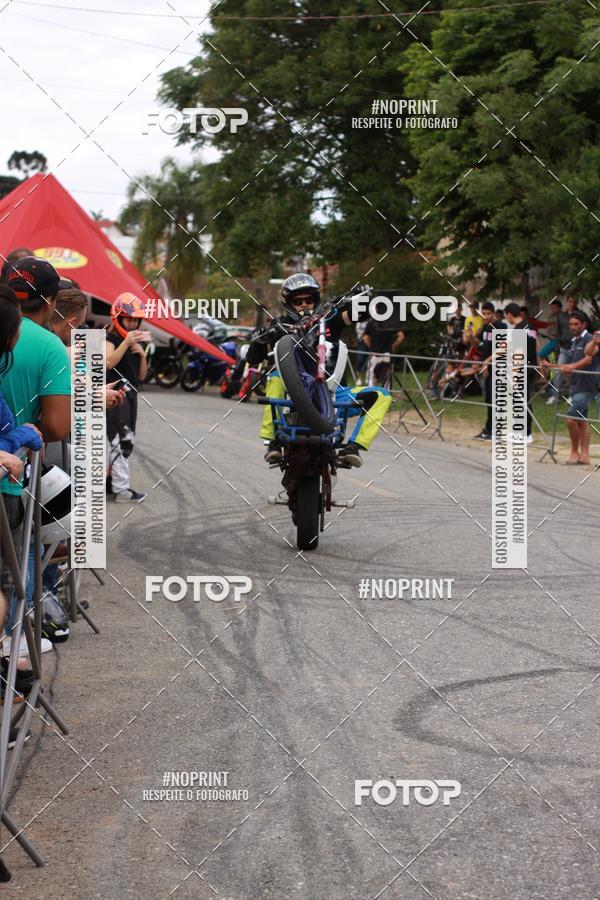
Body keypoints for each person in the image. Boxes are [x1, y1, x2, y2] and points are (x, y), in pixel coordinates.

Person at [247, 274, 392, 468]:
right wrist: (258, 340)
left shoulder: (330, 318)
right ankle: (273, 442)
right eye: (298, 301)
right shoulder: (279, 326)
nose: (304, 305)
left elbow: (360, 314)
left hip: (333, 394)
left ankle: (353, 447)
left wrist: (363, 298)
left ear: (316, 300)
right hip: (292, 395)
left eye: (309, 300)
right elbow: (253, 358)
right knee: (275, 377)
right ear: (289, 304)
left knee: (382, 395)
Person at [106, 293, 149, 501]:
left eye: (135, 320)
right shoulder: (110, 339)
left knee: (128, 440)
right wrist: (125, 343)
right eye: (128, 319)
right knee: (120, 440)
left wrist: (142, 355)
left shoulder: (135, 343)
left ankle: (111, 481)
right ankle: (121, 489)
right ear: (118, 318)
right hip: (116, 393)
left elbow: (141, 376)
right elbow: (107, 363)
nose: (132, 324)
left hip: (132, 394)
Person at [542, 311, 595, 464]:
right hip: (575, 385)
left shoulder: (589, 339)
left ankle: (574, 452)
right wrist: (551, 365)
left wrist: (572, 367)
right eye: (571, 324)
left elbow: (588, 358)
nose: (573, 327)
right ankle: (585, 455)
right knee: (582, 421)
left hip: (586, 386)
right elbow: (569, 364)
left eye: (576, 324)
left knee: (571, 419)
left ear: (584, 324)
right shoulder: (574, 341)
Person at [504, 302, 538, 442]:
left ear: (510, 314)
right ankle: (521, 432)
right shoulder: (529, 326)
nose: (507, 319)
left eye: (506, 316)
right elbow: (536, 345)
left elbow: (518, 354)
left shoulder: (518, 329)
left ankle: (524, 433)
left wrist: (515, 375)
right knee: (523, 400)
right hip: (531, 367)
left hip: (522, 369)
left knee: (520, 401)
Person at [470, 302, 503, 440]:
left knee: (495, 399)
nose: (486, 316)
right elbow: (479, 345)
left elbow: (502, 349)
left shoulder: (501, 326)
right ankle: (489, 428)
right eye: (484, 313)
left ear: (494, 313)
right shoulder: (485, 327)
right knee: (489, 398)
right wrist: (470, 336)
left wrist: (487, 362)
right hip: (486, 367)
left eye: (489, 313)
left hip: (498, 367)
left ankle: (494, 429)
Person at [363, 318, 405, 387]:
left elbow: (365, 339)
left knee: (371, 377)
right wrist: (393, 346)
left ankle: (371, 392)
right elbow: (401, 336)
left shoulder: (371, 322)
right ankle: (386, 392)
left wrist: (371, 348)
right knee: (386, 377)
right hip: (387, 354)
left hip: (374, 354)